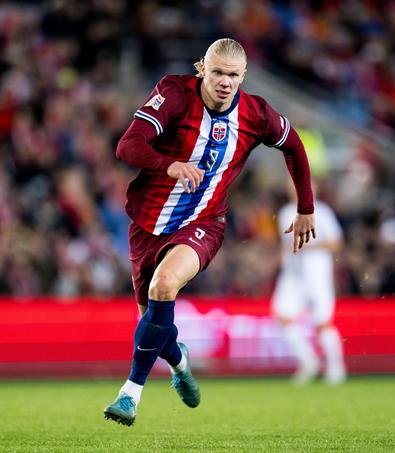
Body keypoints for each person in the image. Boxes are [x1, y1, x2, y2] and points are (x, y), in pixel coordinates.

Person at [104, 38, 316, 426]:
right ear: (202, 68)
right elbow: (127, 146)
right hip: (147, 225)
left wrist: (305, 208)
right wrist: (169, 165)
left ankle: (129, 395)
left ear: (243, 77)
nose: (224, 82)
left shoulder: (257, 114)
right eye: (217, 72)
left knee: (164, 285)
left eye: (233, 76)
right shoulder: (174, 94)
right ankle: (180, 361)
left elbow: (295, 146)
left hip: (203, 223)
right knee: (152, 321)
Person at [272, 188, 345, 384]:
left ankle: (336, 369)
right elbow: (285, 245)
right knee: (282, 315)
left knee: (322, 321)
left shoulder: (322, 211)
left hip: (317, 272)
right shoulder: (285, 212)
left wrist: (309, 246)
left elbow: (336, 243)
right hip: (293, 273)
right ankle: (309, 362)